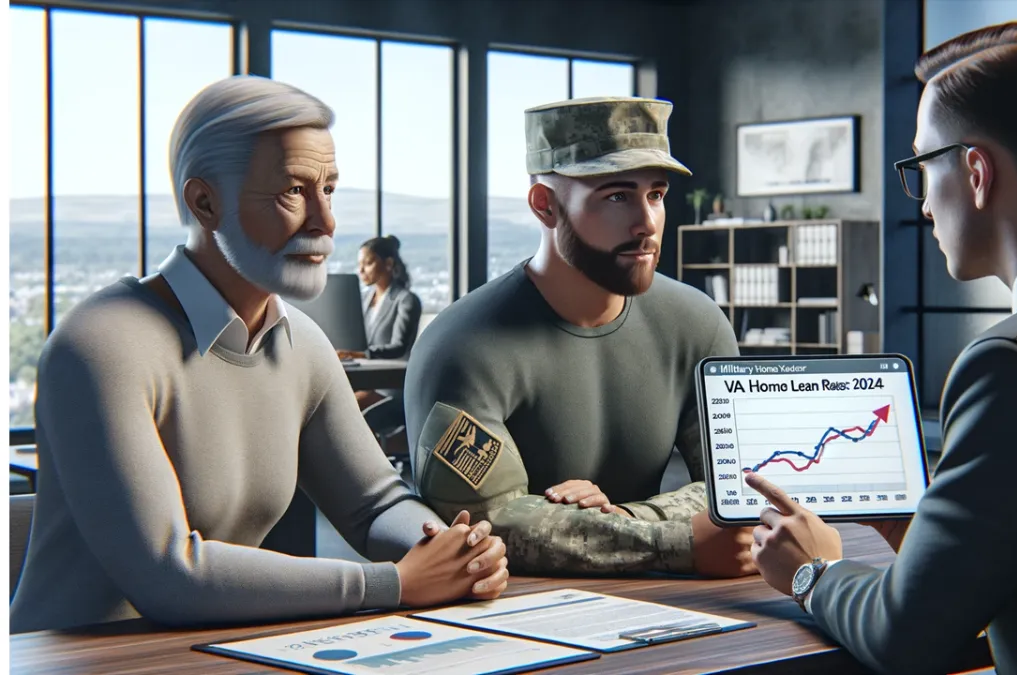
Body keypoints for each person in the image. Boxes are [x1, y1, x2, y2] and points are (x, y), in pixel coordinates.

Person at [745, 20, 1017, 675]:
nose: (924, 205)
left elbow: (906, 638)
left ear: (976, 172)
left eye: (924, 166)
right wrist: (936, 544)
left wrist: (812, 571)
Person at [10, 76, 508, 635]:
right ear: (204, 202)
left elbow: (375, 504)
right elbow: (167, 573)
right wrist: (392, 584)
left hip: (218, 653)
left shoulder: (303, 344)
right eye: (293, 190)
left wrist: (449, 549)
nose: (326, 221)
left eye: (330, 189)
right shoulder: (99, 346)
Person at [403, 96, 757, 577]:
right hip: (512, 616)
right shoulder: (462, 347)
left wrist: (631, 517)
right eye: (616, 197)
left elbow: (741, 483)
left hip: (675, 604)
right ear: (545, 206)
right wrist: (673, 541)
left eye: (655, 194)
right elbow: (485, 524)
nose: (647, 223)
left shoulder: (697, 323)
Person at [337, 235, 423, 411]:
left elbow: (399, 347)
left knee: (345, 408)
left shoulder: (406, 300)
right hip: (367, 379)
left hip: (391, 385)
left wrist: (362, 355)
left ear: (389, 264)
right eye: (359, 265)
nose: (361, 270)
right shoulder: (365, 300)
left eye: (368, 263)